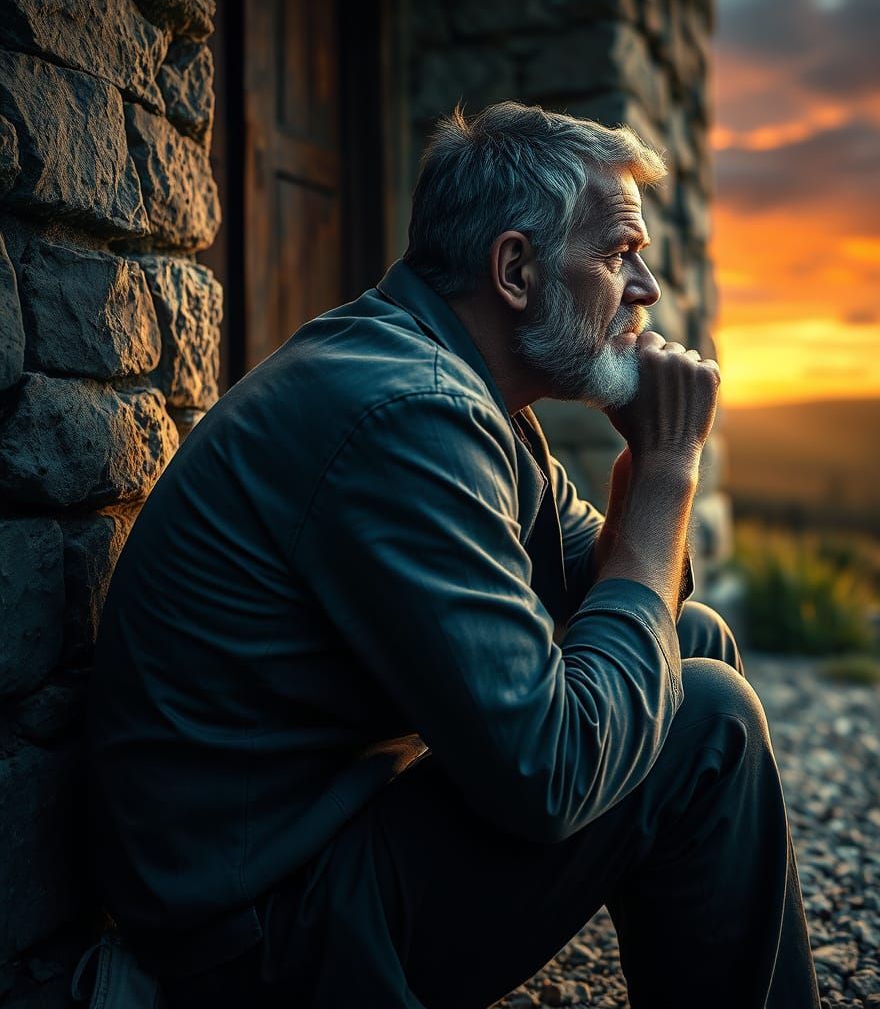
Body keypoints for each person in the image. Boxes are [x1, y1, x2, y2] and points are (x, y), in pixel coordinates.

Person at [86, 102, 820, 1008]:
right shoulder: (406, 414)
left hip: (317, 846)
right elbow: (551, 774)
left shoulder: (462, 395)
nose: (646, 290)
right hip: (252, 931)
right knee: (705, 720)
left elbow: (635, 589)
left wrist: (645, 475)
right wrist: (670, 471)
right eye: (618, 253)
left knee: (691, 642)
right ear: (514, 269)